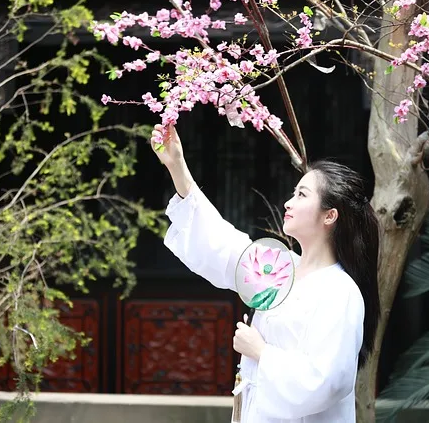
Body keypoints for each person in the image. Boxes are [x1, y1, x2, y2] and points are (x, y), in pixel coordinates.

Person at [151, 124, 380, 423]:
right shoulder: (280, 266)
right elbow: (224, 246)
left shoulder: (340, 291)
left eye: (302, 195)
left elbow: (328, 382)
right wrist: (177, 166)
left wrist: (261, 352)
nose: (288, 202)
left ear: (330, 215)